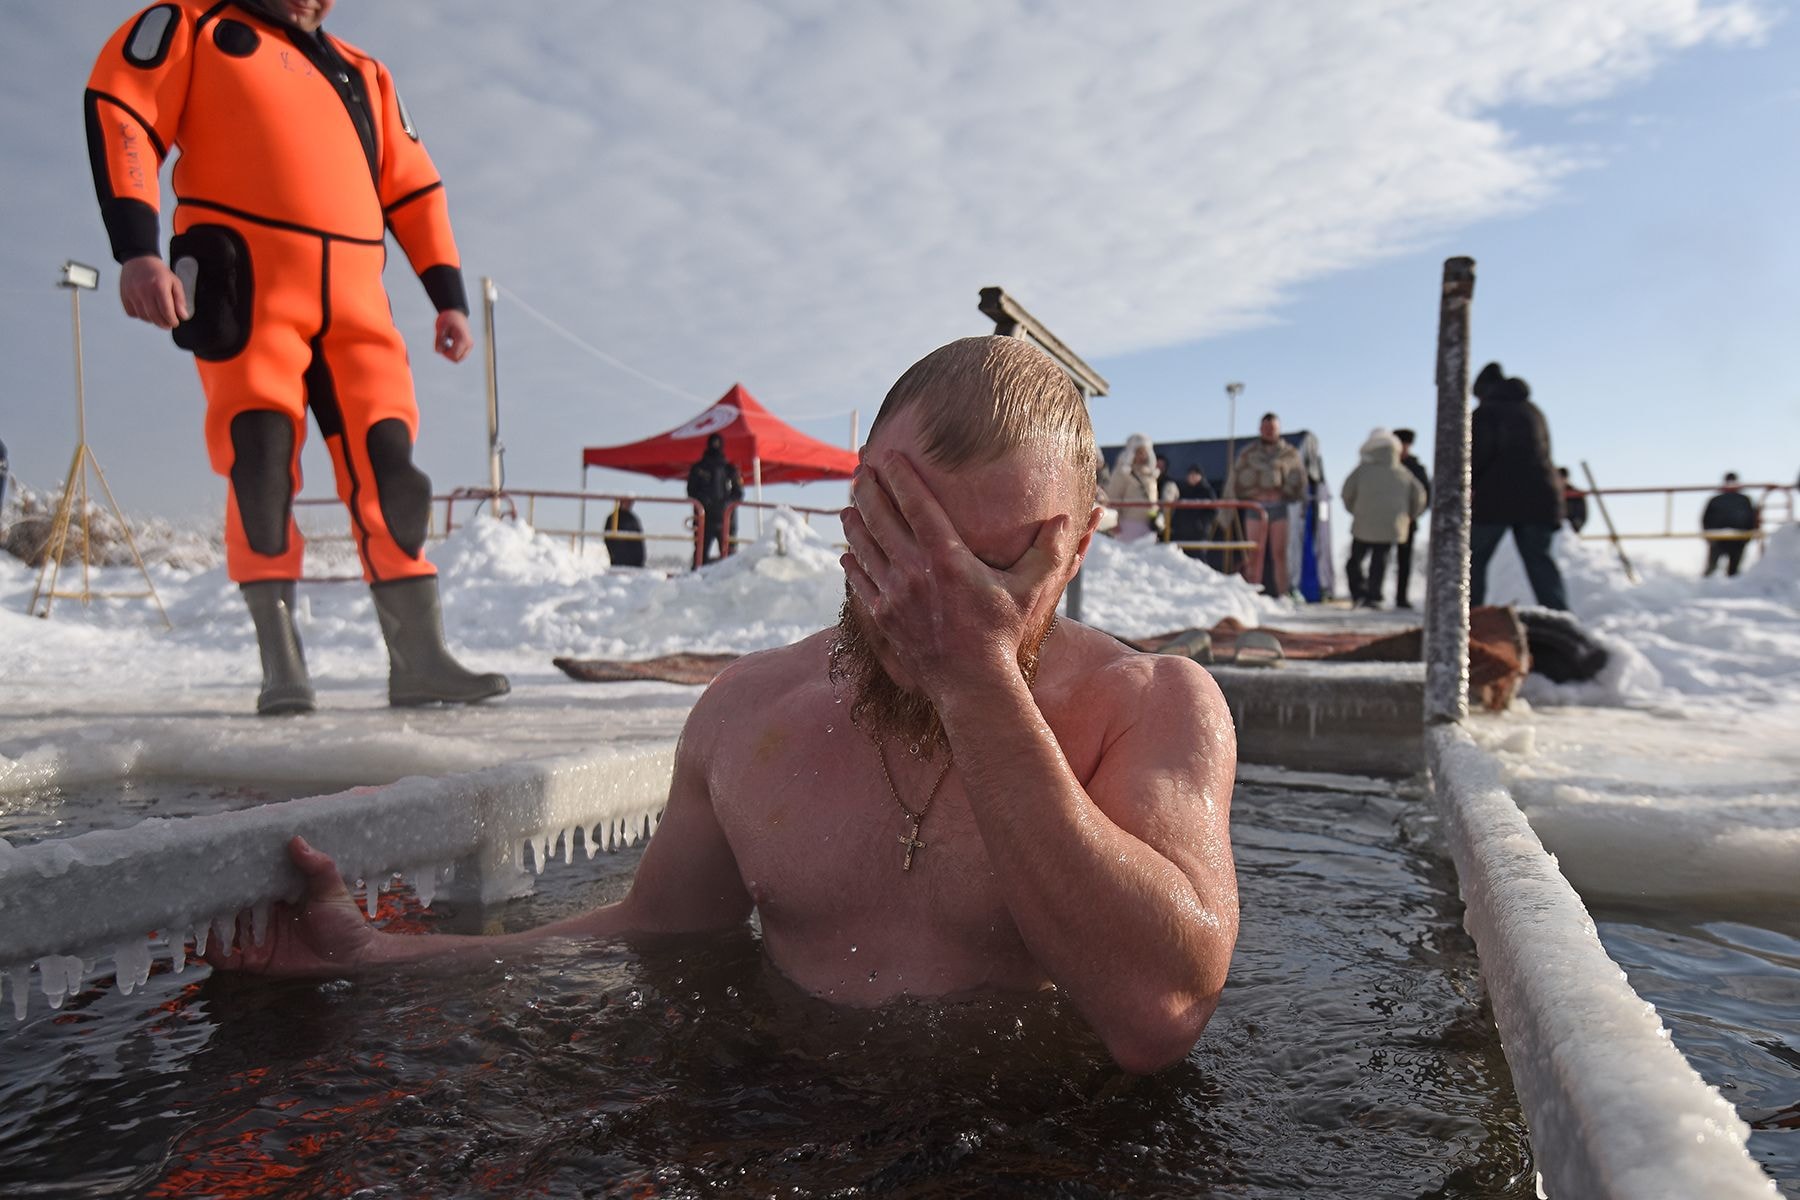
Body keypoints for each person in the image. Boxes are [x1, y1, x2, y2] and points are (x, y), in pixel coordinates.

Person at [209, 336, 1241, 1075]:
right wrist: (382, 955)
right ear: (852, 511)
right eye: (900, 537)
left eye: (989, 563)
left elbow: (1157, 1016)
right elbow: (659, 931)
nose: (934, 596)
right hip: (784, 1124)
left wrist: (976, 679)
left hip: (1047, 1154)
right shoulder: (753, 714)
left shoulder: (1150, 708)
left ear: (1076, 551)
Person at [84, 0, 507, 715]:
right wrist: (137, 248)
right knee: (260, 458)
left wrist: (448, 295)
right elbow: (121, 106)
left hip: (355, 299)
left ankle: (421, 660)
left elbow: (413, 186)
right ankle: (282, 665)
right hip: (243, 282)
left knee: (392, 466)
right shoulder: (193, 25)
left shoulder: (364, 74)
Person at [1469, 364, 1567, 610]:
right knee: (1541, 564)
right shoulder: (1533, 411)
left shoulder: (1486, 413)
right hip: (1540, 498)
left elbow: (1475, 457)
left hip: (1495, 499)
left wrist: (1469, 487)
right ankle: (1563, 623)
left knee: (1472, 560)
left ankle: (1468, 619)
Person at [1340, 430, 1427, 609]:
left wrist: (1355, 511)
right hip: (1391, 526)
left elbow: (1346, 493)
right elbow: (1419, 497)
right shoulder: (1404, 472)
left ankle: (1359, 592)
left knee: (1354, 561)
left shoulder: (1361, 470)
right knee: (1380, 561)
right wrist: (1409, 516)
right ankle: (1374, 595)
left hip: (1363, 524)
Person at [1225, 413, 1306, 597]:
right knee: (1253, 554)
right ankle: (1252, 595)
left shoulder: (1289, 454)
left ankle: (1283, 595)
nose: (1269, 432)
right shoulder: (1248, 454)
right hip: (1255, 508)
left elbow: (1299, 481)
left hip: (1279, 508)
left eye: (1273, 428)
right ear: (1260, 429)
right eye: (1266, 428)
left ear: (1279, 429)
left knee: (1279, 554)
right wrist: (1253, 494)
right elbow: (1236, 481)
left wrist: (1283, 492)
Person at [686, 433, 744, 565]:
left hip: (726, 520)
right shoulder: (698, 469)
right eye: (714, 443)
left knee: (730, 558)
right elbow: (691, 491)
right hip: (704, 519)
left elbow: (738, 493)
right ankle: (695, 582)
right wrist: (704, 500)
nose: (715, 446)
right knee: (700, 556)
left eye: (718, 443)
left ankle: (728, 583)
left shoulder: (730, 469)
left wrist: (725, 504)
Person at [1390, 429, 1431, 609]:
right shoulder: (1385, 466)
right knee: (1378, 558)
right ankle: (1373, 594)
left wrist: (1413, 515)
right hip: (1384, 519)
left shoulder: (1416, 468)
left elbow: (1425, 495)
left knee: (1404, 561)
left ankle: (1401, 597)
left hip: (1407, 521)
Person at [1103, 434, 1163, 543]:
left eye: (1144, 452)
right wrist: (1113, 522)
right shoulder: (1122, 473)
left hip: (1148, 525)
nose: (1142, 455)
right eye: (1138, 452)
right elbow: (1113, 496)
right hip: (1127, 524)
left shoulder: (1149, 474)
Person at [1701, 472, 1759, 577]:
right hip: (1718, 539)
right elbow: (1705, 519)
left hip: (1738, 539)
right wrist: (1709, 537)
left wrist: (1747, 538)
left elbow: (1753, 519)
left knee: (1734, 571)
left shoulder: (1744, 500)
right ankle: (1703, 588)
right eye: (1729, 482)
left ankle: (1732, 590)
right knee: (1711, 569)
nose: (1731, 484)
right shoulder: (1715, 500)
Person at [1168, 464, 1218, 560]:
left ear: (1201, 476)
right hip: (1181, 533)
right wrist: (1175, 525)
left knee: (1198, 559)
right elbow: (1177, 510)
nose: (1192, 477)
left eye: (1195, 474)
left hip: (1198, 534)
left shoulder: (1207, 491)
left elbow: (1213, 511)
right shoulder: (1182, 490)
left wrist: (1201, 524)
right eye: (1190, 474)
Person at [602, 498, 646, 569]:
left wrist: (640, 560)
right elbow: (607, 538)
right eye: (627, 501)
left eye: (631, 502)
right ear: (621, 501)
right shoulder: (613, 518)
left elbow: (640, 540)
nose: (629, 504)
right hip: (618, 561)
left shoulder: (633, 519)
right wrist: (614, 555)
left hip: (635, 563)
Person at [1558, 468, 1588, 535]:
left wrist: (1574, 527)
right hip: (1554, 529)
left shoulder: (1577, 494)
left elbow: (1582, 514)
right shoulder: (1552, 494)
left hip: (1570, 529)